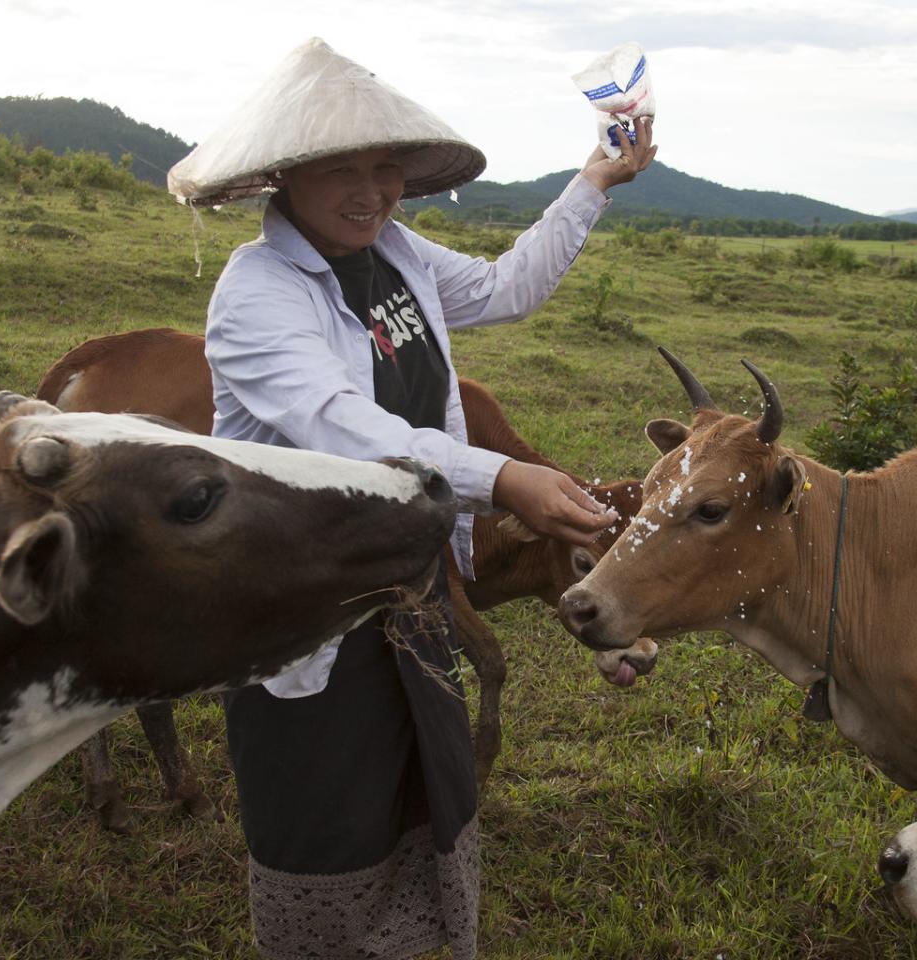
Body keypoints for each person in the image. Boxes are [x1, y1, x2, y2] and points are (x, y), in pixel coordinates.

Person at [166, 38, 656, 960]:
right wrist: (502, 480)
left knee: (422, 790)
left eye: (385, 166)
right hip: (304, 601)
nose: (371, 190)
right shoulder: (256, 291)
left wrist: (593, 181)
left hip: (408, 583)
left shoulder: (396, 253)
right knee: (325, 816)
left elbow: (510, 286)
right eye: (342, 169)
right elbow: (336, 422)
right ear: (287, 175)